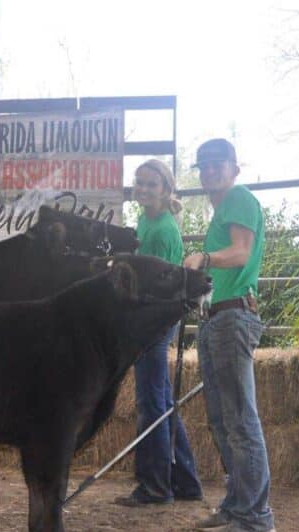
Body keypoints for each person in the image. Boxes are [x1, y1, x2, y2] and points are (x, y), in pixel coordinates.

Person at [182, 139, 277, 532]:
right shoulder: (224, 207)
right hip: (218, 315)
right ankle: (238, 506)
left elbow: (240, 253)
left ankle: (257, 518)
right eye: (203, 166)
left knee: (239, 418)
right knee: (223, 419)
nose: (209, 172)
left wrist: (204, 259)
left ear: (235, 168)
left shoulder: (238, 198)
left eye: (217, 165)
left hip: (233, 315)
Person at [115, 159, 203, 507]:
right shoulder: (145, 220)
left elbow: (156, 286)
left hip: (155, 318)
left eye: (151, 184)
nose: (143, 189)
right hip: (154, 318)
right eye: (139, 183)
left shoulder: (163, 230)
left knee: (151, 401)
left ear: (166, 189)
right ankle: (186, 481)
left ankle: (154, 485)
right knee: (162, 401)